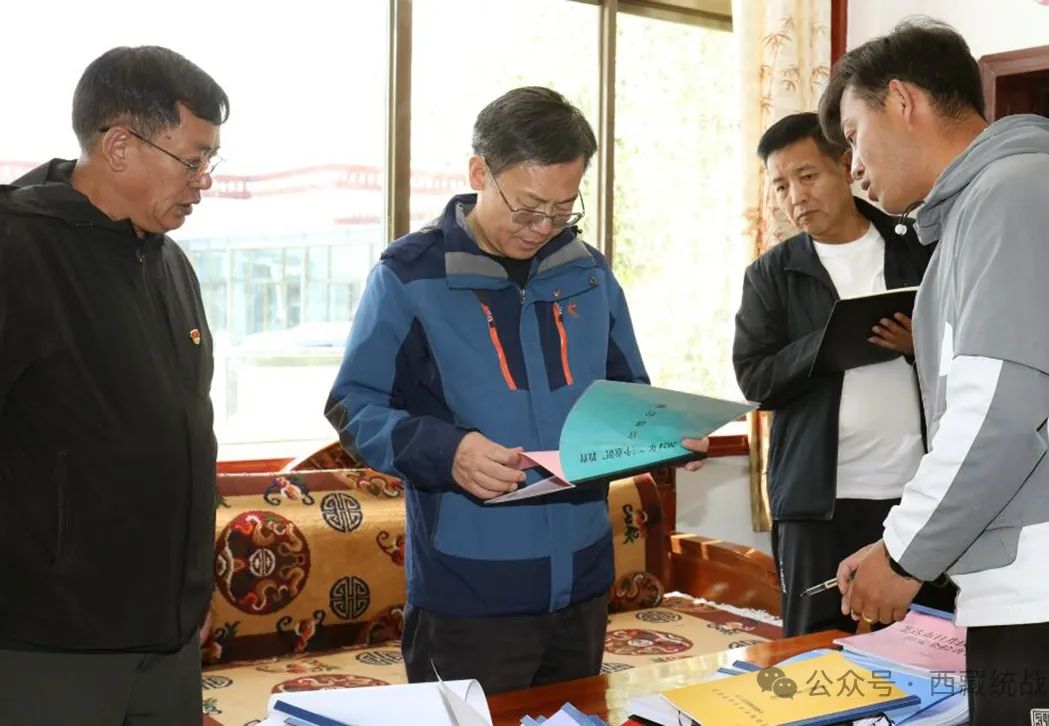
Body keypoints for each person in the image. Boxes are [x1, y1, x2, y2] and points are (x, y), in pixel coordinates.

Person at [326, 86, 707, 695]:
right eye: (528, 208)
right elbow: (355, 405)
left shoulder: (587, 272)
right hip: (470, 593)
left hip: (583, 582)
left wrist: (660, 433)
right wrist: (448, 452)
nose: (543, 228)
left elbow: (627, 392)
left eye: (563, 210)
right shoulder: (411, 276)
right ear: (480, 171)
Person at [820, 18, 1049, 724]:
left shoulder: (1014, 192)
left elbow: (998, 411)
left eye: (852, 135)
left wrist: (904, 557)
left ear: (901, 101)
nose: (854, 167)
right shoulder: (995, 200)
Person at [0, 47, 226, 723]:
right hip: (51, 642)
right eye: (193, 158)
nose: (204, 180)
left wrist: (193, 586)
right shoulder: (17, 251)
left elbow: (187, 429)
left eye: (211, 160)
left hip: (169, 636)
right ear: (121, 145)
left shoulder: (171, 264)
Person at [732, 112, 952, 638]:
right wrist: (830, 342)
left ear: (846, 165)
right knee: (813, 650)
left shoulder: (918, 247)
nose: (795, 197)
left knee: (927, 643)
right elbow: (755, 379)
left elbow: (973, 347)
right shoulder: (772, 274)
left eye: (807, 176)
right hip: (817, 499)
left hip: (920, 491)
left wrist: (919, 346)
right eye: (781, 186)